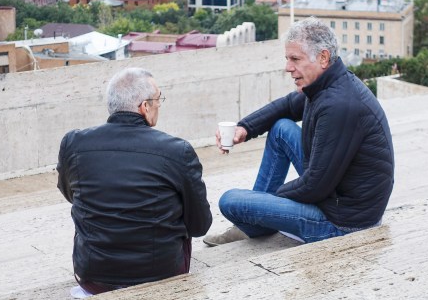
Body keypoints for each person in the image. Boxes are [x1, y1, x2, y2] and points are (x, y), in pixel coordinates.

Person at [203, 17, 394, 246]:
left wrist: (265, 204)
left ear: (323, 58)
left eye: (295, 59)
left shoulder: (339, 105)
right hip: (335, 190)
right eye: (287, 59)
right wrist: (245, 127)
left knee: (231, 200)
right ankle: (256, 224)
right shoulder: (327, 84)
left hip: (343, 223)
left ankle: (257, 222)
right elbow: (287, 106)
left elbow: (314, 186)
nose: (288, 68)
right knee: (281, 128)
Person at [57, 67, 212, 296]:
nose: (160, 104)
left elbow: (70, 194)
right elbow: (200, 225)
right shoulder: (178, 151)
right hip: (163, 274)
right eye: (159, 99)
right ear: (145, 106)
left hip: (94, 278)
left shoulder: (73, 143)